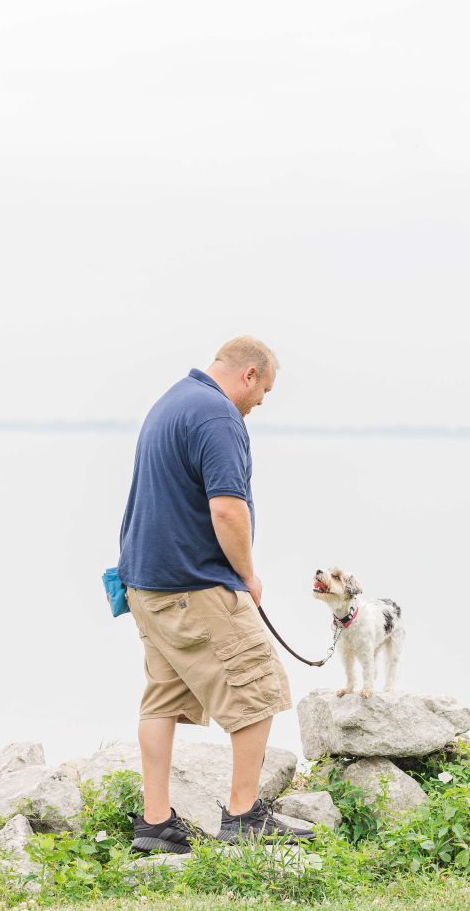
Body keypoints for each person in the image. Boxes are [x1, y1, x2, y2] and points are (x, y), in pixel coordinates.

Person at [117, 336, 313, 854]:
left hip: (145, 584)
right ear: (248, 374)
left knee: (162, 699)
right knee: (260, 685)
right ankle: (245, 817)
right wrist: (248, 575)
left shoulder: (171, 401)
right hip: (192, 585)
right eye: (264, 391)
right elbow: (227, 509)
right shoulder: (218, 416)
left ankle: (155, 825)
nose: (259, 404)